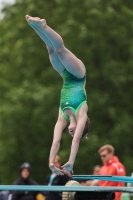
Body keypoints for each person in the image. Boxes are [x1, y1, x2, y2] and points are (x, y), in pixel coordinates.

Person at [25, 15, 90, 175]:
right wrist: (71, 163)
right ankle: (44, 25)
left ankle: (35, 26)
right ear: (81, 129)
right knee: (60, 51)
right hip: (78, 75)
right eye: (76, 132)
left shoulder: (63, 116)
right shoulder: (82, 111)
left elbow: (56, 141)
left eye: (73, 133)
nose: (72, 134)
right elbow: (76, 141)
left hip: (65, 75)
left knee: (50, 49)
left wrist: (51, 162)